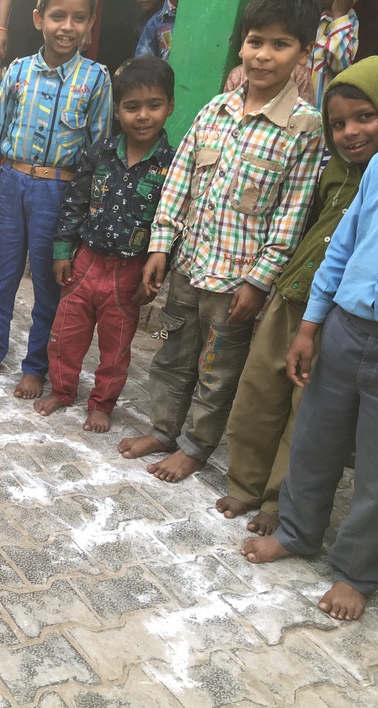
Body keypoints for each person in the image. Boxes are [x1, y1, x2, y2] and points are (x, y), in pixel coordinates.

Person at [118, 0, 324, 483]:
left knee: (217, 368)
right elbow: (180, 182)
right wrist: (160, 246)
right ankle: (164, 429)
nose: (264, 56)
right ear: (241, 45)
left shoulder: (304, 128)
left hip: (235, 285)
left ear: (303, 54)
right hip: (188, 267)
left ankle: (194, 446)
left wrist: (259, 280)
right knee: (170, 349)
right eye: (256, 42)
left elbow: (293, 214)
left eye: (280, 45)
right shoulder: (215, 109)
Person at [217, 57, 378, 534]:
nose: (350, 132)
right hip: (293, 298)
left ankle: (276, 503)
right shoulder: (333, 171)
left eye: (364, 117)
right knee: (258, 392)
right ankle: (244, 484)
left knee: (303, 415)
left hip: (340, 317)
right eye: (339, 124)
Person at [240, 112, 378, 622]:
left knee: (375, 472)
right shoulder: (377, 170)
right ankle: (297, 533)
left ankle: (356, 572)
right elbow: (339, 252)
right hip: (346, 327)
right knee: (315, 440)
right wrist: (309, 327)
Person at [0, 0, 112, 399]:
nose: (66, 27)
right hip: (13, 183)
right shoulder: (17, 71)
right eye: (57, 16)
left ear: (90, 24)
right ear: (38, 19)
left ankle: (36, 366)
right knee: (0, 278)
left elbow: (98, 154)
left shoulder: (96, 79)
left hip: (59, 193)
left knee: (50, 285)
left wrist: (87, 216)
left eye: (78, 18)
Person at [35, 56, 176, 433]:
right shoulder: (99, 153)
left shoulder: (172, 167)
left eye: (154, 105)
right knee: (64, 336)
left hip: (128, 272)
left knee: (116, 349)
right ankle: (62, 391)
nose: (142, 116)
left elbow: (173, 221)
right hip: (86, 263)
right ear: (117, 110)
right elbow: (75, 202)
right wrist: (63, 251)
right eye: (132, 107)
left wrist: (156, 272)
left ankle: (102, 404)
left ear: (170, 107)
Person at [311, 1, 359, 108]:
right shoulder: (299, 10)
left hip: (319, 108)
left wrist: (339, 14)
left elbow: (338, 65)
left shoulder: (349, 19)